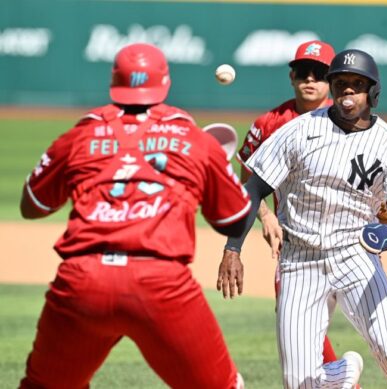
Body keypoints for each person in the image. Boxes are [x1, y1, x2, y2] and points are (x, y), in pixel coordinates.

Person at [19, 43, 250, 389]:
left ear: (114, 82)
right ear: (166, 83)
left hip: (83, 283)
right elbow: (234, 219)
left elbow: (32, 205)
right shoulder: (193, 138)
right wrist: (207, 170)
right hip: (161, 284)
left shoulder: (81, 133)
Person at [218, 49, 387, 388]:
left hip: (356, 254)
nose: (347, 91)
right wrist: (233, 249)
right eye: (341, 83)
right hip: (300, 260)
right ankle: (340, 373)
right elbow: (253, 188)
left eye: (356, 85)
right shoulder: (298, 131)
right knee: (298, 381)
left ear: (372, 93)